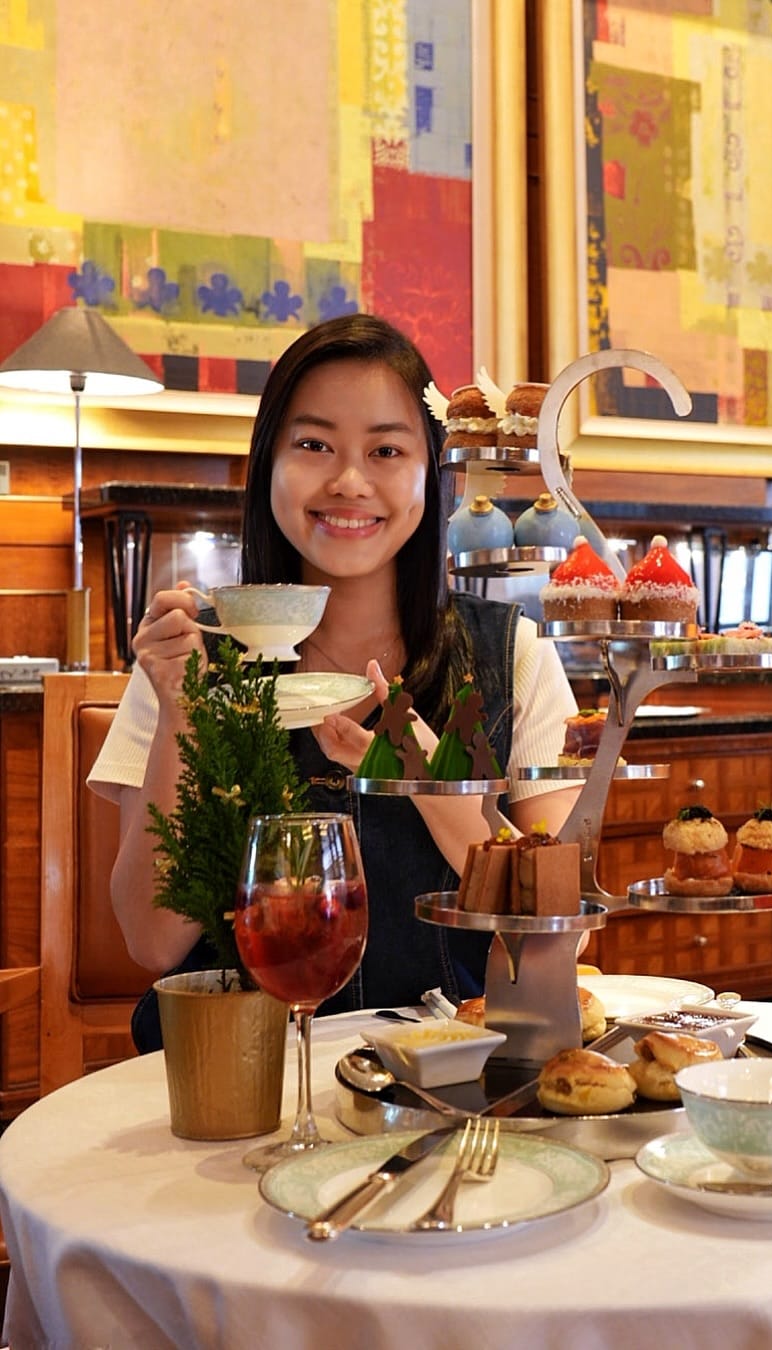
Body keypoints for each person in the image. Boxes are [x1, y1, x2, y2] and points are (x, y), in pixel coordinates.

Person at [89, 314, 581, 1049]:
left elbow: (559, 940)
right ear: (269, 464)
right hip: (235, 1084)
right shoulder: (187, 659)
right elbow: (152, 940)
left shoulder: (511, 656)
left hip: (443, 1083)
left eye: (386, 449)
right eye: (313, 444)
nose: (350, 481)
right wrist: (182, 718)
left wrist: (431, 782)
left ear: (428, 471)